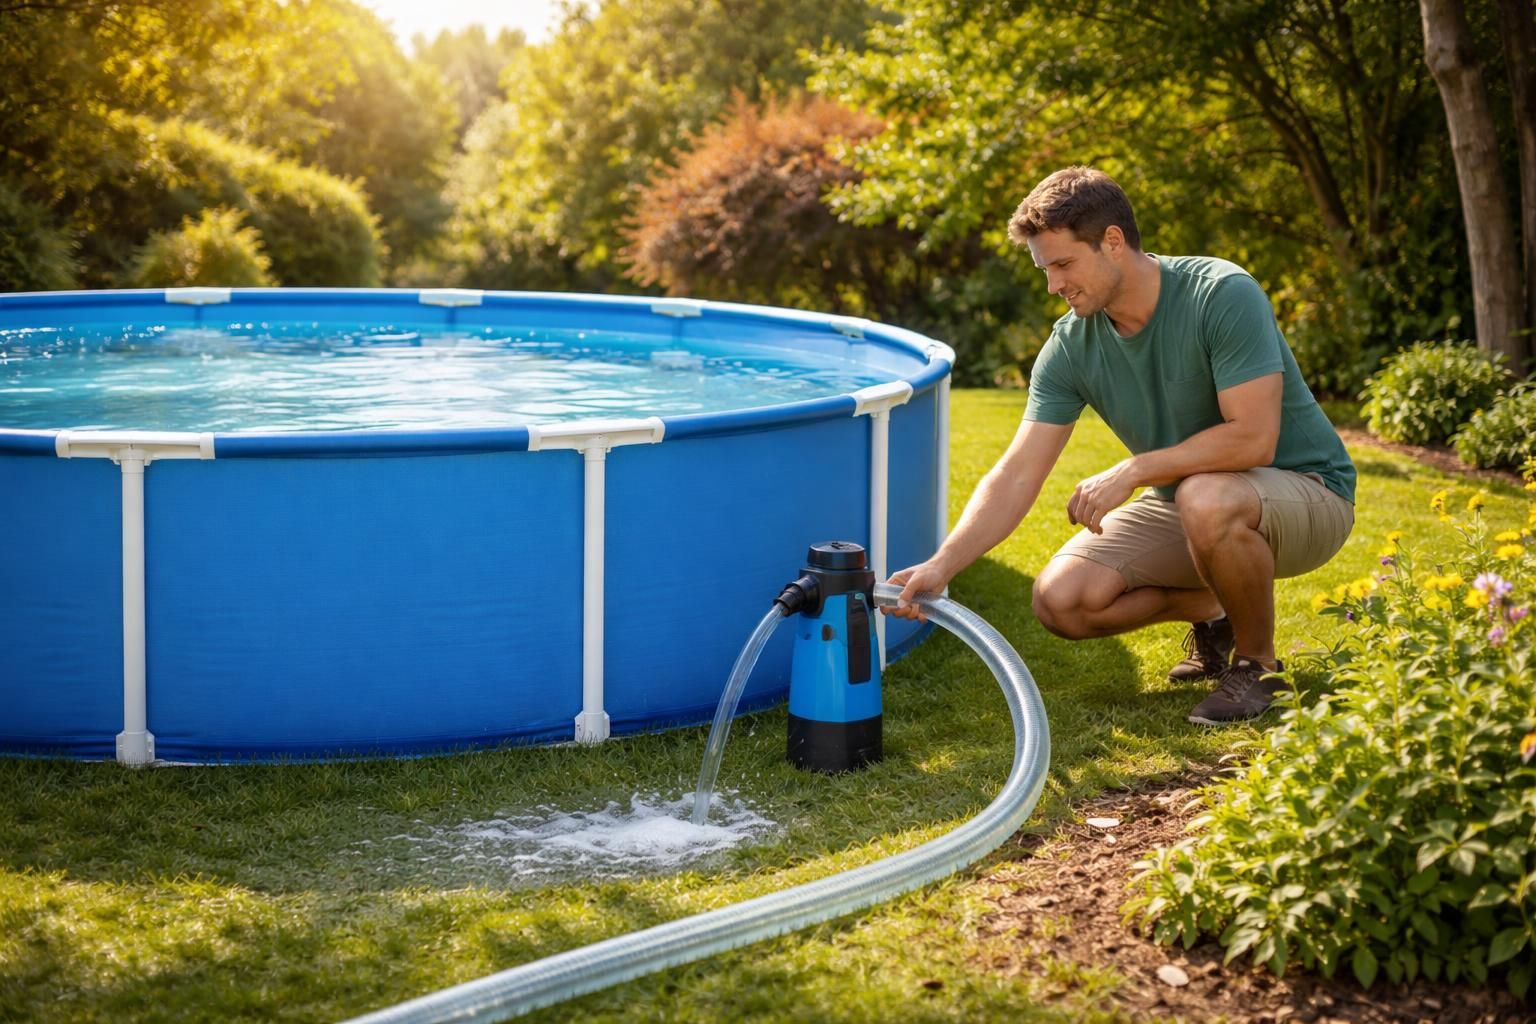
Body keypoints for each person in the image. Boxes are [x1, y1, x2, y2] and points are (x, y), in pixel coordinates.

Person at [886, 167, 1356, 725]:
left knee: (1206, 497)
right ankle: (1216, 607)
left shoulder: (1221, 294)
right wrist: (943, 564)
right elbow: (1017, 472)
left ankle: (1257, 667)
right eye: (1045, 269)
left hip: (1308, 493)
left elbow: (1254, 437)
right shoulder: (1071, 347)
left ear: (1112, 241)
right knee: (1062, 601)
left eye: (1063, 264)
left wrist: (1135, 469)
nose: (1053, 285)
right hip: (1190, 503)